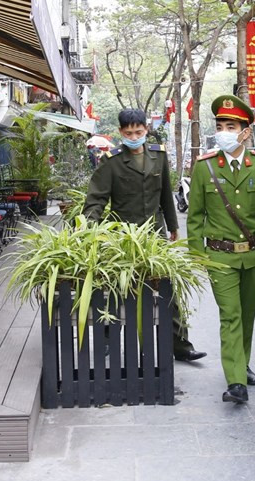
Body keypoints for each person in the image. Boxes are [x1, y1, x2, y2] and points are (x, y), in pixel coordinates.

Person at [83, 108, 206, 362]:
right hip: (122, 238)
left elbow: (165, 196)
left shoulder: (158, 156)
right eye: (128, 133)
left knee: (166, 288)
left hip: (155, 235)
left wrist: (173, 226)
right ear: (121, 132)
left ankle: (179, 345)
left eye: (138, 132)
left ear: (146, 130)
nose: (134, 136)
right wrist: (88, 229)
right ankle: (107, 340)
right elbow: (96, 199)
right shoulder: (112, 161)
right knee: (115, 288)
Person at [186, 95, 255, 404]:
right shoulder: (205, 168)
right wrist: (196, 254)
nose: (224, 131)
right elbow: (195, 217)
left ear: (245, 131)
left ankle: (241, 363)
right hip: (220, 257)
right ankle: (236, 381)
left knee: (247, 315)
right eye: (220, 125)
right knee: (230, 315)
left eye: (231, 126)